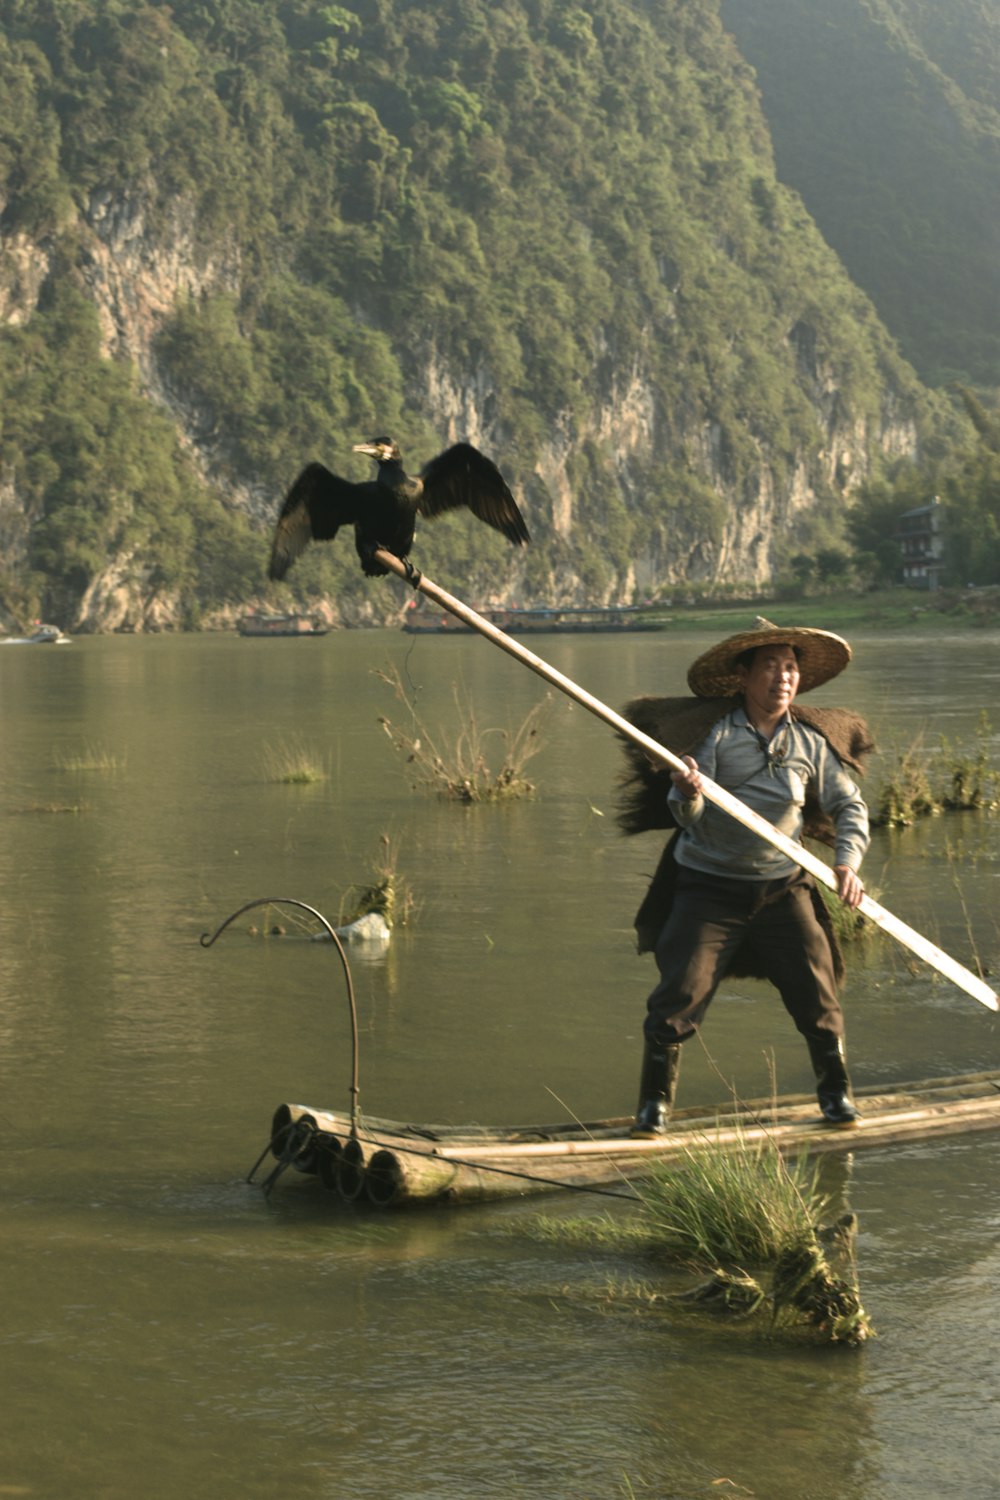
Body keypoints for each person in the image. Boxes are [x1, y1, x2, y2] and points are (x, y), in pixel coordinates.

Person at [616, 618, 874, 1136]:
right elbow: (686, 816)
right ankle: (653, 1106)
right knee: (679, 993)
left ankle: (835, 1095)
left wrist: (847, 861)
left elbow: (850, 806)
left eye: (791, 668)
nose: (783, 678)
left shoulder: (809, 742)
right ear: (743, 676)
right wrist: (688, 791)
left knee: (817, 991)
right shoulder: (714, 735)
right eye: (772, 667)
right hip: (709, 887)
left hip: (783, 887)